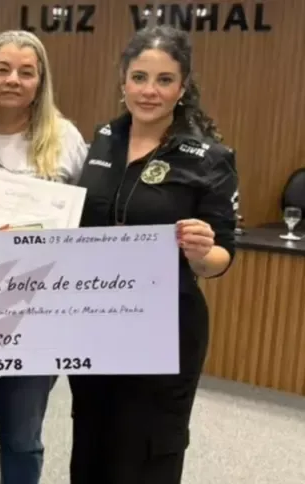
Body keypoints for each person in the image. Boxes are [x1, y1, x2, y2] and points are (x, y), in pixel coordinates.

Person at [69, 25, 238, 484]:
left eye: (164, 80)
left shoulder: (209, 157)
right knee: (92, 440)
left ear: (182, 87)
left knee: (145, 451)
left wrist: (203, 252)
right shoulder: (102, 139)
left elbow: (222, 256)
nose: (149, 90)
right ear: (123, 78)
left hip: (166, 330)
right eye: (140, 77)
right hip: (94, 321)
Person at [0, 30, 88, 484]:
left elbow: (88, 222)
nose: (13, 80)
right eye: (2, 69)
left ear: (41, 82)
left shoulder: (64, 138)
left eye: (27, 72)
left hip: (39, 318)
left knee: (22, 438)